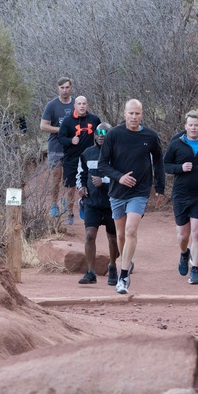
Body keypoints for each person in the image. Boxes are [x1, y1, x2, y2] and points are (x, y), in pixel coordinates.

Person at [97, 99, 164, 294]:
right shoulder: (114, 134)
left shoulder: (150, 136)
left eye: (137, 113)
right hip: (117, 192)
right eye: (131, 113)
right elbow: (103, 164)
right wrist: (120, 177)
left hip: (139, 191)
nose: (134, 117)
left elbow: (158, 161)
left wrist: (159, 187)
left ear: (142, 114)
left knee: (131, 230)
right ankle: (127, 260)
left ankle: (123, 276)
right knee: (121, 235)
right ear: (124, 114)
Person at [164, 110, 198, 285]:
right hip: (180, 194)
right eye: (191, 125)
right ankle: (184, 253)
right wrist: (180, 168)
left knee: (197, 232)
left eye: (196, 125)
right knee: (183, 234)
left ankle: (194, 269)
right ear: (185, 127)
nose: (193, 128)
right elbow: (165, 165)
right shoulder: (176, 144)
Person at [76, 122, 120, 285]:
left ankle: (113, 267)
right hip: (92, 202)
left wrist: (104, 181)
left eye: (105, 133)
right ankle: (91, 273)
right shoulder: (87, 153)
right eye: (99, 133)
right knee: (89, 235)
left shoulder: (117, 154)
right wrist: (81, 187)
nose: (101, 136)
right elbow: (81, 173)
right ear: (94, 135)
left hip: (112, 202)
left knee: (113, 238)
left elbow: (120, 176)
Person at [57, 96, 101, 225]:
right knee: (70, 188)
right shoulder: (67, 121)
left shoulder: (94, 119)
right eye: (79, 104)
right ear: (75, 106)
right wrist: (71, 140)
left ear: (87, 105)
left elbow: (101, 134)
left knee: (89, 185)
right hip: (71, 159)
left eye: (84, 104)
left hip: (89, 159)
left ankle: (85, 206)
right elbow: (60, 138)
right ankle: (69, 214)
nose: (82, 106)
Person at [38, 77, 74, 218]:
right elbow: (43, 126)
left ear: (71, 88)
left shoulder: (76, 104)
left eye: (67, 87)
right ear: (57, 88)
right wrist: (61, 130)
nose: (64, 90)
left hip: (72, 148)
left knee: (70, 179)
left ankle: (67, 204)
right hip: (55, 147)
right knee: (56, 178)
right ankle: (54, 205)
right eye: (62, 88)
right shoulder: (52, 105)